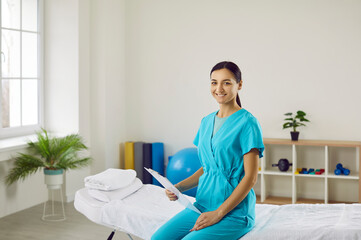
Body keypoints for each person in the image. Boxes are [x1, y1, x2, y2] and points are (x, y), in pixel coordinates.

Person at [151, 61, 264, 240]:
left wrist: (218, 213)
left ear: (239, 85)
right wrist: (178, 188)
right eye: (214, 82)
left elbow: (250, 178)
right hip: (202, 206)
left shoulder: (248, 123)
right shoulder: (206, 121)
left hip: (233, 213)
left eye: (226, 82)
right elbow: (209, 167)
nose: (219, 88)